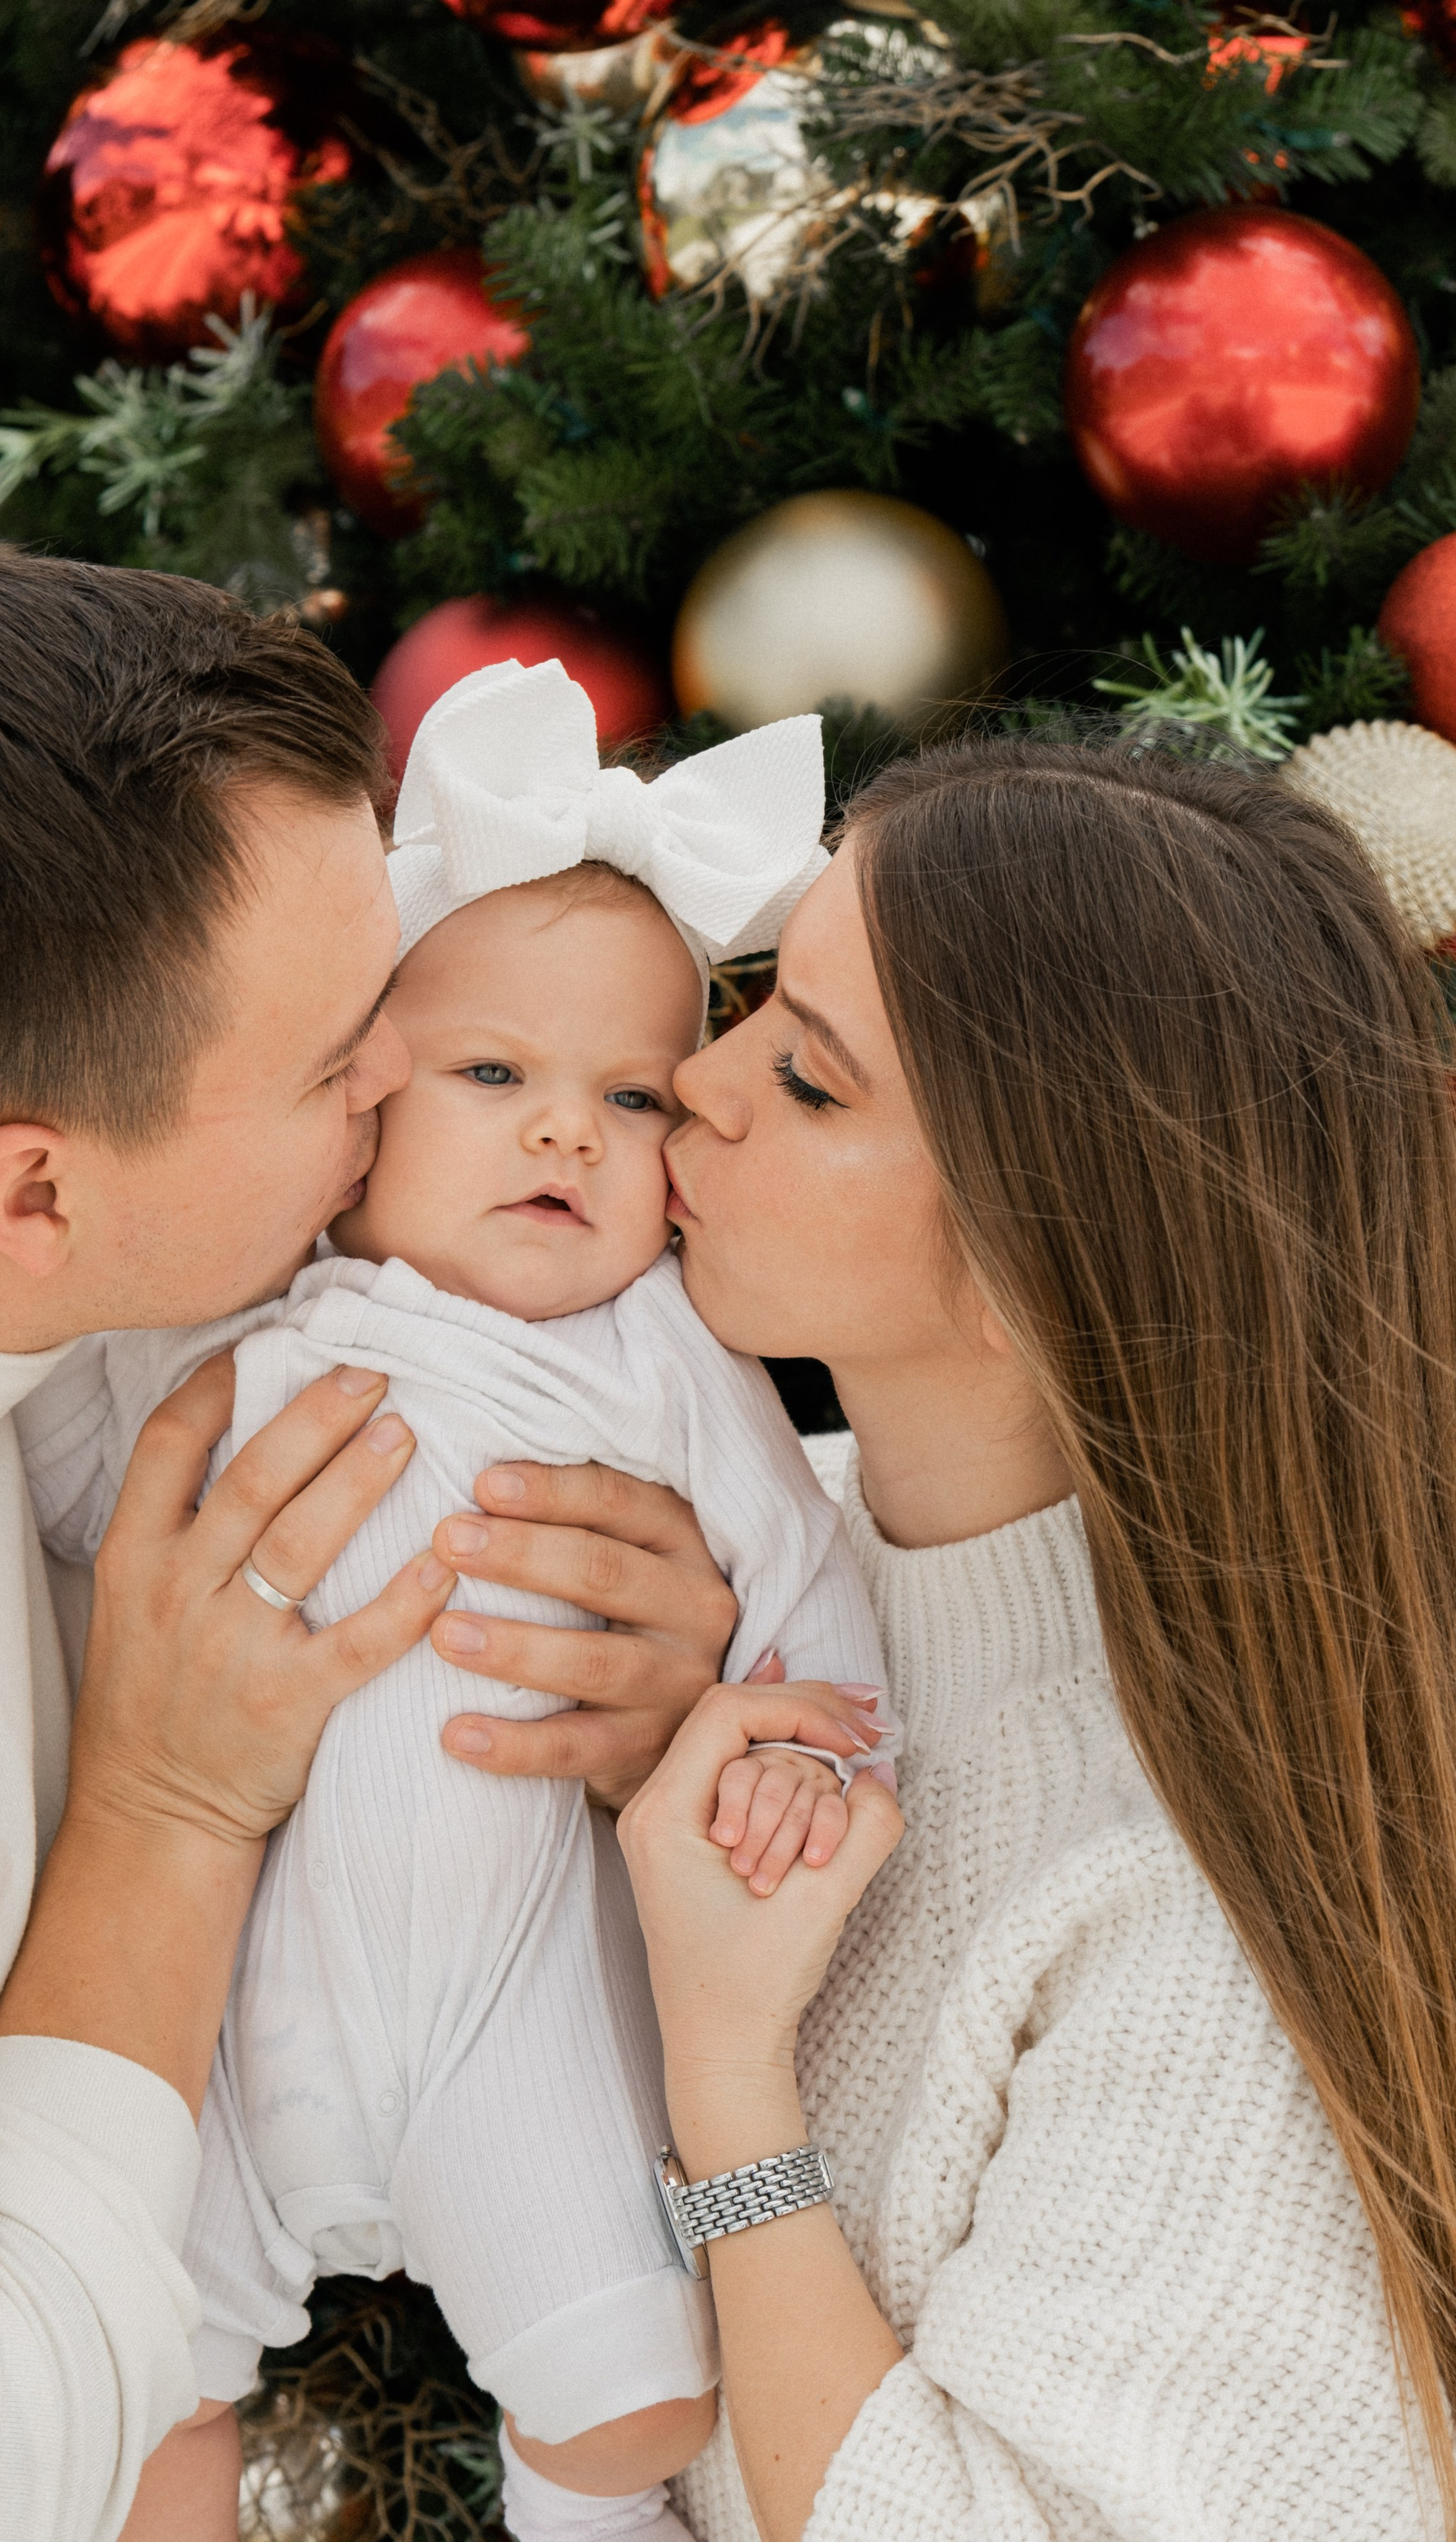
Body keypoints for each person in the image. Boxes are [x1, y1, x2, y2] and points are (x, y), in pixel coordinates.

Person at [0, 543, 743, 2542]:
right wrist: (165, 1805)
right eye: (341, 1065)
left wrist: (664, 1637)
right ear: (36, 1197)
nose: (413, 1084)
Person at [26, 660, 893, 2542]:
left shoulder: (657, 1358)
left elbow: (808, 1577)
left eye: (632, 1096)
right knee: (116, 2383)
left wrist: (804, 1747)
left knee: (626, 2414)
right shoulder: (244, 1297)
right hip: (236, 1997)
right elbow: (72, 1473)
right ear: (362, 1112)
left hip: (510, 2004)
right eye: (494, 1076)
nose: (565, 1134)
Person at [609, 738, 1456, 2541]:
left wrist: (728, 2078)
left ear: (1028, 1259)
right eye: (754, 1002)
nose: (690, 1077)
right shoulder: (735, 1570)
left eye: (810, 1081)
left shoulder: (1184, 1911)